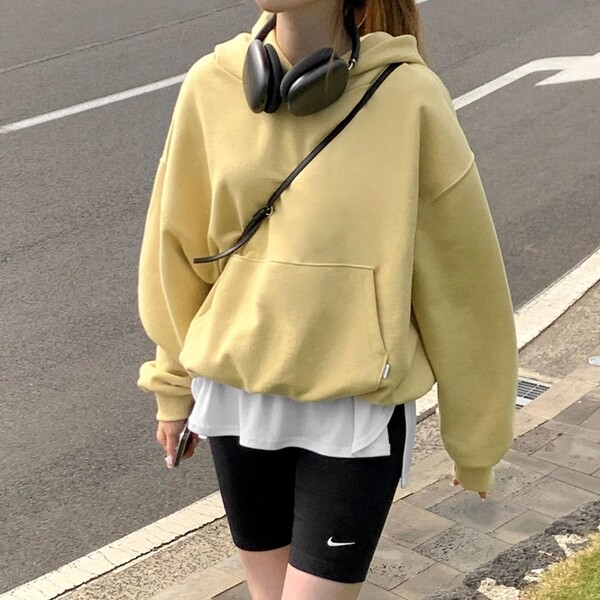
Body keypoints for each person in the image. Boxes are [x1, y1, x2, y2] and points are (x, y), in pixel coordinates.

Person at [136, 0, 518, 598]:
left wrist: (476, 438)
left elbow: (463, 283)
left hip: (354, 410)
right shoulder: (211, 86)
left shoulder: (410, 98)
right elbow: (178, 251)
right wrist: (172, 385)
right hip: (240, 396)